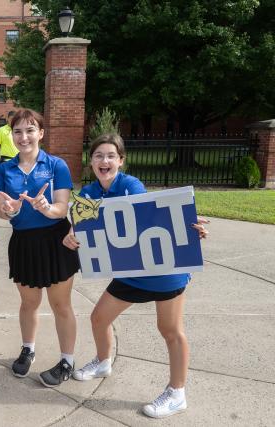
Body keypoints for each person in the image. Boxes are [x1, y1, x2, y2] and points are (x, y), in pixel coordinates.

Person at [64, 133, 210, 418]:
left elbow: (152, 217)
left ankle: (177, 393)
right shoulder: (88, 194)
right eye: (98, 156)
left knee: (170, 330)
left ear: (121, 161)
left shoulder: (131, 185)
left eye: (110, 156)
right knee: (98, 318)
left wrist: (188, 226)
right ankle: (103, 361)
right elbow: (80, 227)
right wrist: (70, 237)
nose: (104, 161)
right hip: (131, 272)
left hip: (162, 271)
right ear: (91, 161)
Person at [0, 109, 80, 387]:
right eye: (17, 131)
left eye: (30, 130)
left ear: (41, 133)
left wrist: (47, 208)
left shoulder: (56, 165)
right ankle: (28, 349)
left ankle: (67, 360)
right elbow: (1, 212)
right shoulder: (4, 169)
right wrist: (9, 210)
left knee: (60, 305)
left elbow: (62, 207)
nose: (24, 136)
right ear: (11, 136)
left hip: (57, 240)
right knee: (29, 303)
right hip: (24, 242)